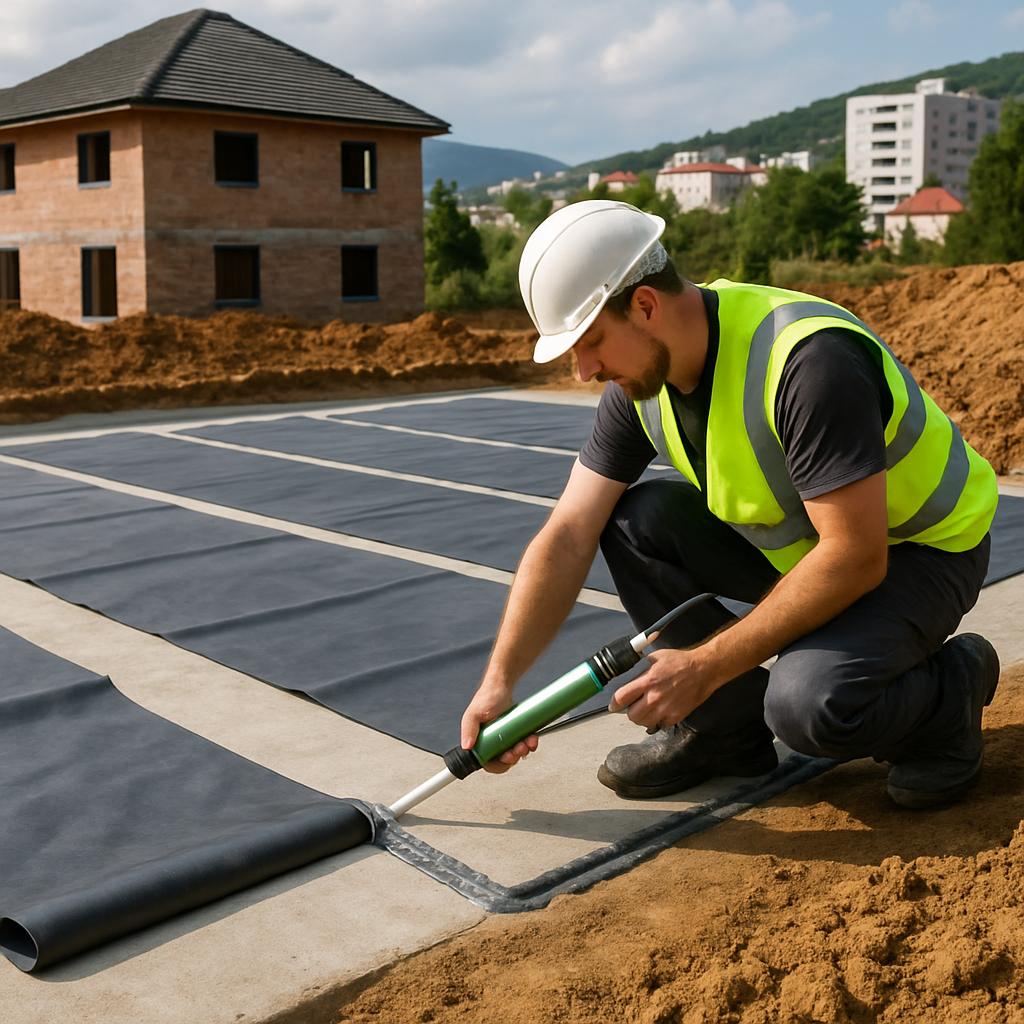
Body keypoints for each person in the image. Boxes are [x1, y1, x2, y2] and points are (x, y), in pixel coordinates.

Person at [460, 199, 1000, 810]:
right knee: (634, 522)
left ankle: (948, 696)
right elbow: (568, 533)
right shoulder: (642, 386)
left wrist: (703, 666)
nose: (584, 371)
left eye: (591, 342)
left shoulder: (808, 361)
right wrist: (500, 682)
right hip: (814, 551)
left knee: (806, 706)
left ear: (645, 305)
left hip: (920, 551)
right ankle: (725, 733)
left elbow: (855, 557)